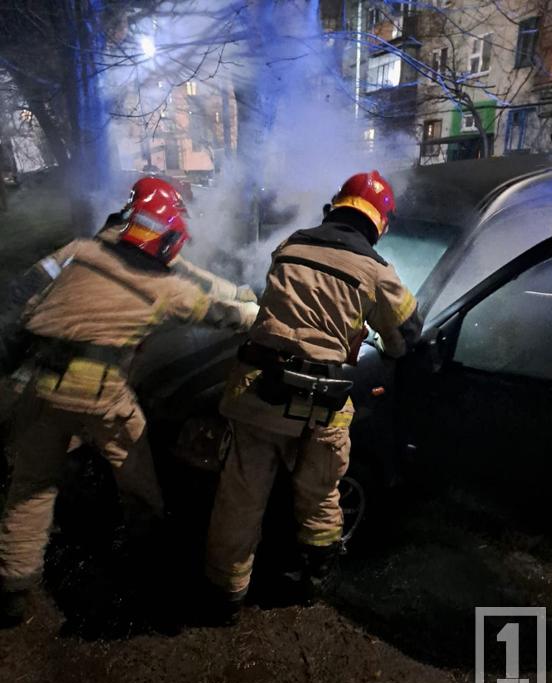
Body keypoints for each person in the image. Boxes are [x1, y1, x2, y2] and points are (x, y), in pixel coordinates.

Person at [0, 177, 258, 627]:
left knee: (31, 485)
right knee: (136, 466)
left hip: (35, 383)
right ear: (168, 238)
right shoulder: (163, 291)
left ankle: (12, 590)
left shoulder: (80, 250)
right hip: (97, 392)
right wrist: (258, 310)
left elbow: (23, 293)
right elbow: (222, 313)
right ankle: (149, 554)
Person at [205, 171, 423, 624]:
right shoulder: (377, 271)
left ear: (335, 206)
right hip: (320, 403)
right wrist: (388, 345)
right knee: (321, 492)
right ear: (379, 223)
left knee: (240, 498)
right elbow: (406, 334)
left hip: (258, 391)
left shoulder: (290, 246)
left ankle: (224, 596)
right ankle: (311, 579)